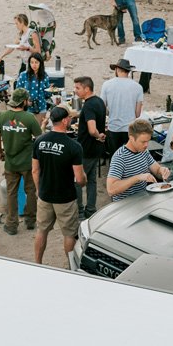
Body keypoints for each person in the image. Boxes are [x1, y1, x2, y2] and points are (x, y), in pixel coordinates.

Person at [32, 105, 85, 265]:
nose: (70, 119)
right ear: (64, 120)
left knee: (41, 230)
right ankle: (70, 266)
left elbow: (35, 170)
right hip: (65, 197)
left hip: (45, 194)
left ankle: (37, 263)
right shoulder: (74, 146)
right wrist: (83, 181)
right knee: (69, 234)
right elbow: (79, 178)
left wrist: (38, 190)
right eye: (69, 117)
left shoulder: (39, 141)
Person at [0, 88, 42, 235]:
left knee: (11, 193)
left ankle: (12, 224)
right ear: (24, 101)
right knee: (31, 191)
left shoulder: (2, 116)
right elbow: (39, 138)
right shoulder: (29, 117)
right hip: (27, 163)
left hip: (10, 162)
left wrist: (1, 153)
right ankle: (30, 221)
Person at [106, 119, 170, 200]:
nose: (146, 145)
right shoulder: (120, 157)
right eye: (143, 142)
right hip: (125, 205)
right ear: (131, 138)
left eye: (148, 141)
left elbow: (157, 170)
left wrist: (162, 170)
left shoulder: (143, 151)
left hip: (142, 200)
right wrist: (138, 178)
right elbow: (111, 189)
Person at [71, 76, 107, 218]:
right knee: (91, 180)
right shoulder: (99, 101)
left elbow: (92, 130)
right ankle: (91, 209)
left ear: (87, 88)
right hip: (96, 149)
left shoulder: (89, 105)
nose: (75, 91)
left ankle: (79, 211)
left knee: (78, 181)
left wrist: (98, 135)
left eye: (78, 88)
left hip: (86, 149)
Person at [101, 59, 144, 160]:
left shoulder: (107, 85)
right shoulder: (138, 87)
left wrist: (111, 111)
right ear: (128, 71)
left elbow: (103, 108)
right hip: (130, 129)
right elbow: (137, 114)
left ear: (117, 69)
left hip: (113, 127)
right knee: (129, 159)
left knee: (115, 159)